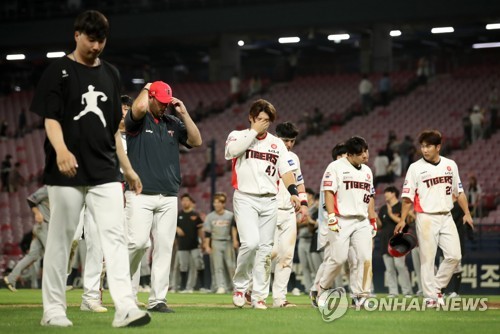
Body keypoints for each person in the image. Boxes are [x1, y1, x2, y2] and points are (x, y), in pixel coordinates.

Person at [30, 10, 149, 328]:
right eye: (90, 39)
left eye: (101, 40)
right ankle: (53, 310)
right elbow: (50, 118)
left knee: (115, 236)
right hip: (66, 171)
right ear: (77, 35)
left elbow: (114, 129)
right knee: (62, 239)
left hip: (105, 170)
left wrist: (129, 169)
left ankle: (125, 306)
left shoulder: (110, 73)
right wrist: (61, 150)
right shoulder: (58, 71)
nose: (96, 46)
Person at [125, 80, 202, 313]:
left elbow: (196, 141)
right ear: (150, 98)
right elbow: (137, 109)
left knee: (164, 248)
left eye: (167, 103)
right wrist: (147, 87)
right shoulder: (137, 120)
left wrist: (184, 113)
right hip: (140, 194)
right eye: (161, 102)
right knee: (137, 244)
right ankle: (125, 290)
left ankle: (158, 299)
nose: (164, 107)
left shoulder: (173, 121)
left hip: (168, 194)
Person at [225, 99, 307, 309]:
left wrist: (293, 192)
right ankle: (241, 287)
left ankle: (259, 295)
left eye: (267, 121)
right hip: (245, 197)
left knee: (264, 250)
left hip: (270, 199)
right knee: (250, 243)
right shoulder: (238, 135)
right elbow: (231, 153)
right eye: (260, 119)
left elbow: (286, 172)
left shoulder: (277, 143)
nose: (264, 124)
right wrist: (253, 132)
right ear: (251, 118)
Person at [394, 129, 473, 308]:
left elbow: (459, 192)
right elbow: (407, 198)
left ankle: (435, 287)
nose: (425, 150)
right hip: (426, 217)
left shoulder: (450, 165)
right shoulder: (415, 168)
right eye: (422, 146)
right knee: (427, 260)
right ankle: (431, 297)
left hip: (446, 216)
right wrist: (402, 219)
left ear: (438, 146)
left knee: (454, 255)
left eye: (428, 146)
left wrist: (467, 213)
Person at [317, 136, 378, 307]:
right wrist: (331, 216)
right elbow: (329, 192)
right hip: (341, 219)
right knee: (338, 259)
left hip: (361, 220)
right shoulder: (335, 167)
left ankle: (361, 295)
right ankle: (322, 289)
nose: (365, 155)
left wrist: (372, 220)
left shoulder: (367, 171)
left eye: (366, 151)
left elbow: (370, 197)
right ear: (350, 155)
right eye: (361, 153)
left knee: (365, 258)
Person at [269, 122, 308, 307]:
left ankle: (279, 298)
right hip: (270, 208)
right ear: (277, 138)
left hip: (289, 211)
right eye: (286, 140)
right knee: (270, 252)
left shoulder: (293, 158)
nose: (289, 144)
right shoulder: (268, 154)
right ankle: (252, 289)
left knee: (286, 255)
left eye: (292, 140)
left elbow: (299, 182)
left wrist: (305, 204)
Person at [3, 186, 49, 292]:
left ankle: (11, 278)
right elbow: (31, 199)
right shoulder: (48, 188)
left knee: (32, 256)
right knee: (53, 254)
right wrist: (37, 213)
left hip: (48, 227)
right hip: (43, 226)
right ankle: (58, 284)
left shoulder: (61, 190)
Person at [378, 186, 412, 297]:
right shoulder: (383, 208)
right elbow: (380, 225)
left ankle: (407, 291)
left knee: (400, 266)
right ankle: (393, 292)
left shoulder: (401, 206)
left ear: (393, 193)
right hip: (384, 241)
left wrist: (391, 214)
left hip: (398, 241)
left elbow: (405, 223)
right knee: (389, 269)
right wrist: (374, 217)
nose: (385, 195)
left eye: (387, 192)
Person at [203, 192, 237, 294]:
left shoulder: (230, 215)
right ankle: (221, 286)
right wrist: (207, 245)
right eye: (215, 202)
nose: (216, 204)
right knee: (218, 266)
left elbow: (233, 228)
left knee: (231, 265)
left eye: (219, 202)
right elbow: (207, 233)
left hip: (227, 242)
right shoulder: (210, 216)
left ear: (223, 204)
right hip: (216, 242)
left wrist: (235, 240)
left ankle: (235, 286)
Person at [176, 193, 205, 293]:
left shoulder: (195, 215)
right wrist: (176, 228)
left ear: (191, 202)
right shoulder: (178, 215)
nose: (185, 202)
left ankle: (202, 286)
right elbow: (171, 227)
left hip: (194, 245)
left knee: (199, 264)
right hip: (182, 245)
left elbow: (200, 229)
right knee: (183, 266)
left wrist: (203, 242)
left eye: (187, 200)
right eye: (183, 200)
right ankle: (183, 287)